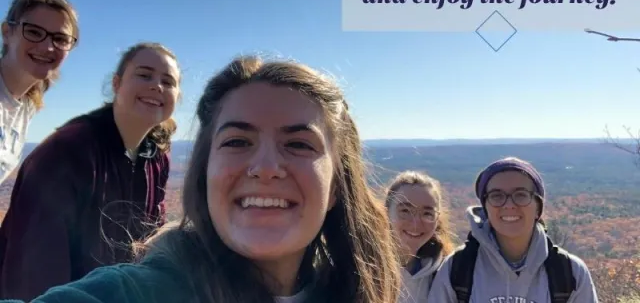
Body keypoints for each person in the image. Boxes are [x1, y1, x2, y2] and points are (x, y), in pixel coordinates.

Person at [8, 55, 402, 303]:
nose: (265, 167)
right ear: (204, 174)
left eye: (298, 144)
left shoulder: (351, 288)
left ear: (336, 185)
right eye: (237, 141)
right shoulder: (139, 292)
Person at [0, 42, 181, 301]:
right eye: (144, 74)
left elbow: (150, 238)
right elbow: (35, 267)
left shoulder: (156, 155)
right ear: (117, 84)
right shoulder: (67, 152)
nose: (157, 86)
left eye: (169, 81)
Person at [427, 157, 599, 303]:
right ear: (486, 207)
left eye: (521, 194)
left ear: (538, 208)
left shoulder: (569, 273)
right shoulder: (458, 269)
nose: (509, 205)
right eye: (497, 196)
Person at [0, 0, 79, 185]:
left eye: (60, 39)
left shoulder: (26, 105)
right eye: (34, 32)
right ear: (7, 33)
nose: (48, 47)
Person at [385, 171, 455, 303]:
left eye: (427, 213)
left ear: (437, 220)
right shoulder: (361, 270)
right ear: (386, 212)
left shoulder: (449, 274)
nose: (416, 223)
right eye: (405, 211)